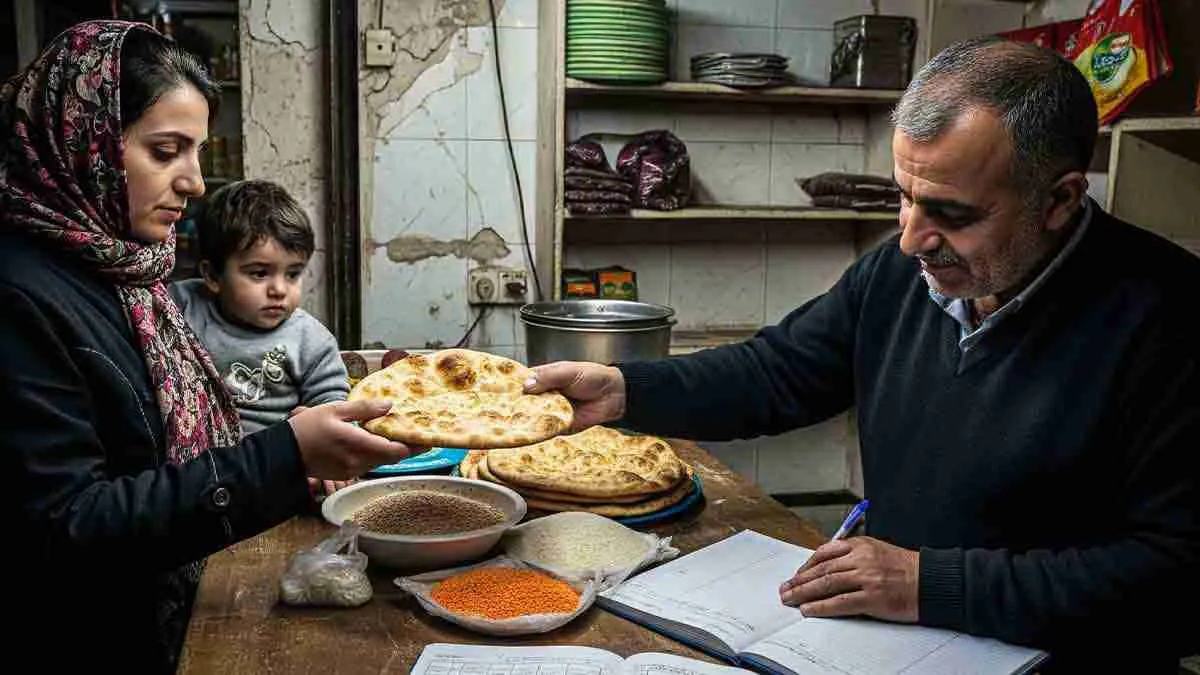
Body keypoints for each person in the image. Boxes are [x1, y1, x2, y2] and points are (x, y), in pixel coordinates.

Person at [527, 37, 1200, 672]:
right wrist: (622, 390)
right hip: (887, 642)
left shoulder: (1169, 319)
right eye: (905, 198)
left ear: (1060, 199)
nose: (911, 240)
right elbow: (780, 370)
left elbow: (1178, 578)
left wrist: (924, 583)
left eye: (951, 213)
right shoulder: (902, 273)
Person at [0, 22, 414, 672]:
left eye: (197, 152)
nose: (193, 181)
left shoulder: (127, 271)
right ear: (83, 143)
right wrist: (283, 455)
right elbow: (66, 527)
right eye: (166, 151)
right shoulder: (20, 295)